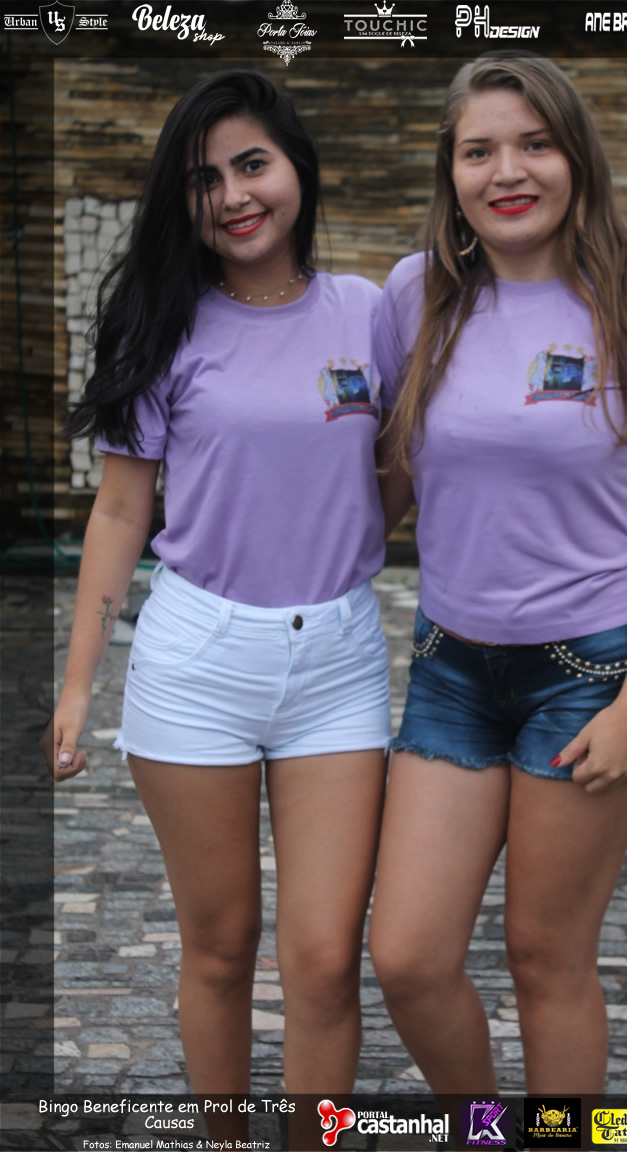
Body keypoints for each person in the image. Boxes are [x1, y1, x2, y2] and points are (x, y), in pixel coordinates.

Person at [41, 71, 390, 1144]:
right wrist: (78, 687)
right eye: (204, 180)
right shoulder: (163, 327)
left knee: (324, 960)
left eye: (252, 165)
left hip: (337, 664)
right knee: (223, 947)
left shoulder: (369, 312)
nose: (234, 196)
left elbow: (410, 467)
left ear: (296, 169)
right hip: (198, 660)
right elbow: (119, 512)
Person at [368, 53, 627, 1102]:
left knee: (545, 955)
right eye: (479, 151)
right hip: (451, 667)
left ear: (577, 157)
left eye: (534, 144)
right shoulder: (417, 294)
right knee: (409, 958)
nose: (507, 171)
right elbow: (383, 488)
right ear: (452, 171)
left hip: (592, 674)